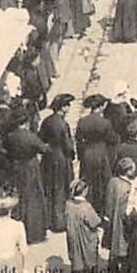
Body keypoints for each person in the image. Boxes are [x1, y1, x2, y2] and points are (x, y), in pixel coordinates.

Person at [4, 109, 48, 245]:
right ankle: (34, 234)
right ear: (25, 122)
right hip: (30, 169)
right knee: (33, 200)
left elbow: (6, 150)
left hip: (16, 169)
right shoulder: (29, 136)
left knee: (19, 200)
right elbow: (43, 149)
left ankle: (18, 234)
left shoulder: (10, 136)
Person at [39, 93, 76, 233]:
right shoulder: (62, 124)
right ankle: (59, 222)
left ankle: (48, 219)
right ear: (63, 107)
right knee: (60, 189)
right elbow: (67, 145)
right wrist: (72, 155)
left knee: (49, 188)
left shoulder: (47, 121)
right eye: (68, 105)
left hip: (49, 157)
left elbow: (40, 137)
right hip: (61, 158)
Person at [75, 95, 117, 216]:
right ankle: (101, 211)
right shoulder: (105, 123)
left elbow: (78, 140)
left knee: (88, 182)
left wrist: (81, 155)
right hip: (101, 153)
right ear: (100, 107)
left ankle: (88, 209)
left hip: (87, 154)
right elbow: (112, 140)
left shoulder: (82, 121)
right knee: (103, 183)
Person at [103, 158, 136, 273]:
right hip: (124, 225)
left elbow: (108, 203)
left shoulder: (113, 182)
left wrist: (108, 218)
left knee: (113, 255)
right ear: (128, 171)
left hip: (113, 224)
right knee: (126, 255)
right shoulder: (130, 187)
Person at [65, 180, 101, 273]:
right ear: (84, 191)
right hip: (86, 239)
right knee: (89, 264)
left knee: (76, 263)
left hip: (73, 238)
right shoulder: (86, 207)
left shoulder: (68, 204)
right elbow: (94, 222)